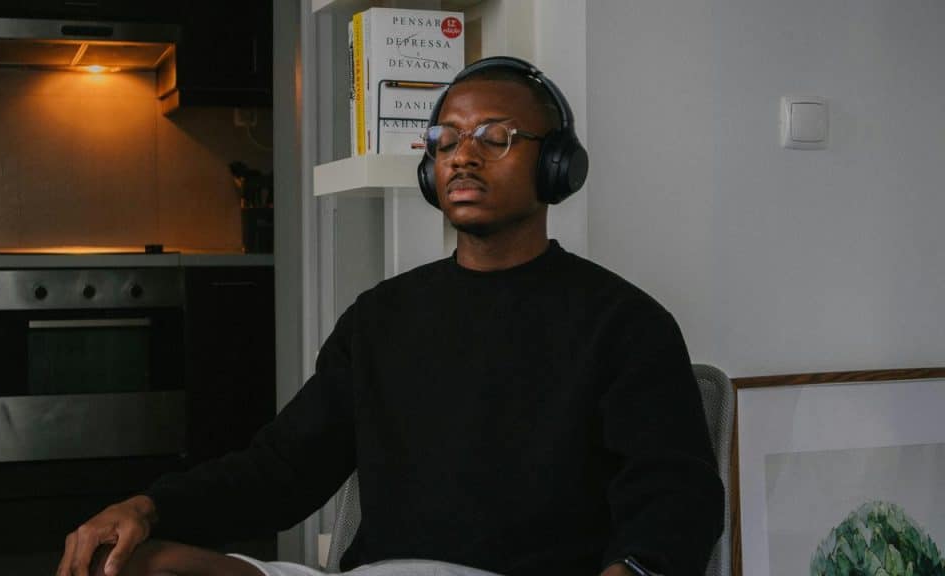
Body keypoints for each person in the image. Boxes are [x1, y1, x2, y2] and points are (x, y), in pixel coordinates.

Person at [57, 56, 724, 576]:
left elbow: (674, 501)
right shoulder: (380, 318)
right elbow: (283, 470)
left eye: (496, 137)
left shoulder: (625, 323)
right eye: (445, 138)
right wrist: (148, 507)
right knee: (132, 565)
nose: (463, 154)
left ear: (557, 165)